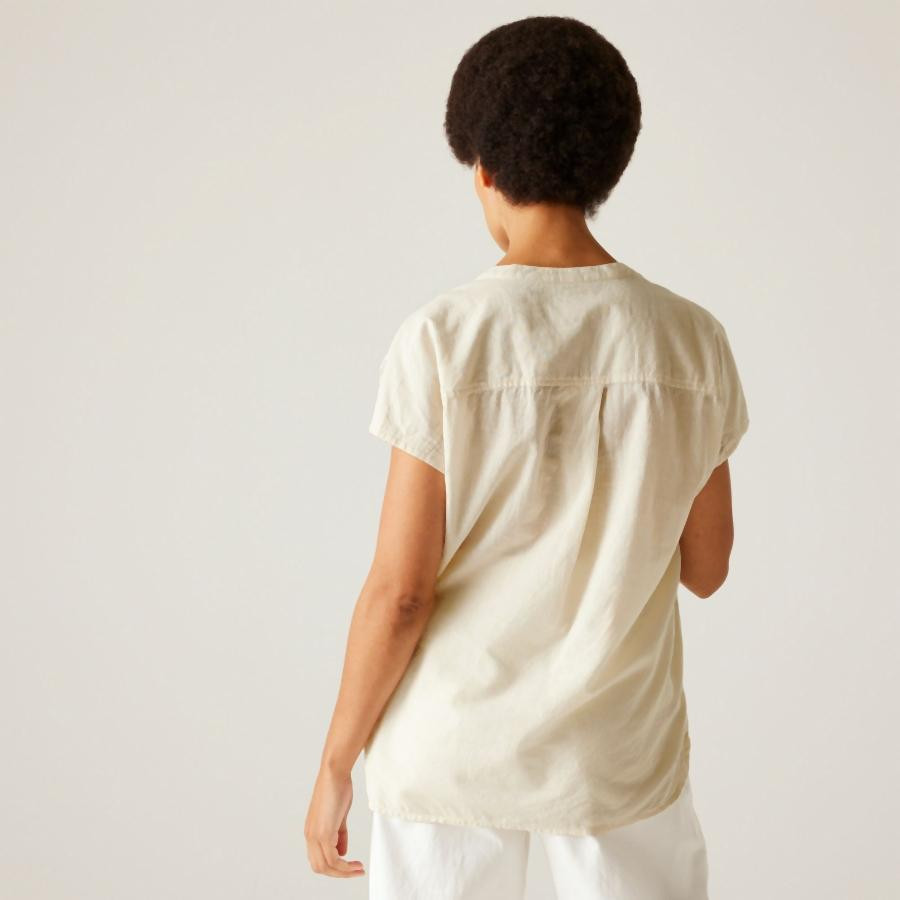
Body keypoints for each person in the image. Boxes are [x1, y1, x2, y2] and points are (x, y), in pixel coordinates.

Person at [304, 15, 749, 899]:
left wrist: (336, 761)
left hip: (451, 749)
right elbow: (707, 568)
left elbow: (401, 593)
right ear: (608, 167)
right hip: (617, 753)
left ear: (483, 168)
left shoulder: (444, 338)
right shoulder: (691, 341)